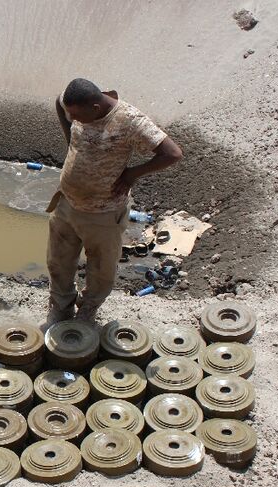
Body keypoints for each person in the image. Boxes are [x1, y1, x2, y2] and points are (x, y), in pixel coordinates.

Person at [46, 78, 183, 325]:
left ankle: (88, 308)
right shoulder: (76, 105)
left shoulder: (129, 120)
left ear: (95, 108)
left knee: (101, 269)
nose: (74, 120)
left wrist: (132, 174)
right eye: (71, 116)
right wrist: (71, 143)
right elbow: (59, 101)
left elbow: (172, 154)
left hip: (103, 212)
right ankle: (61, 305)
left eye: (78, 117)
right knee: (58, 261)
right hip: (66, 203)